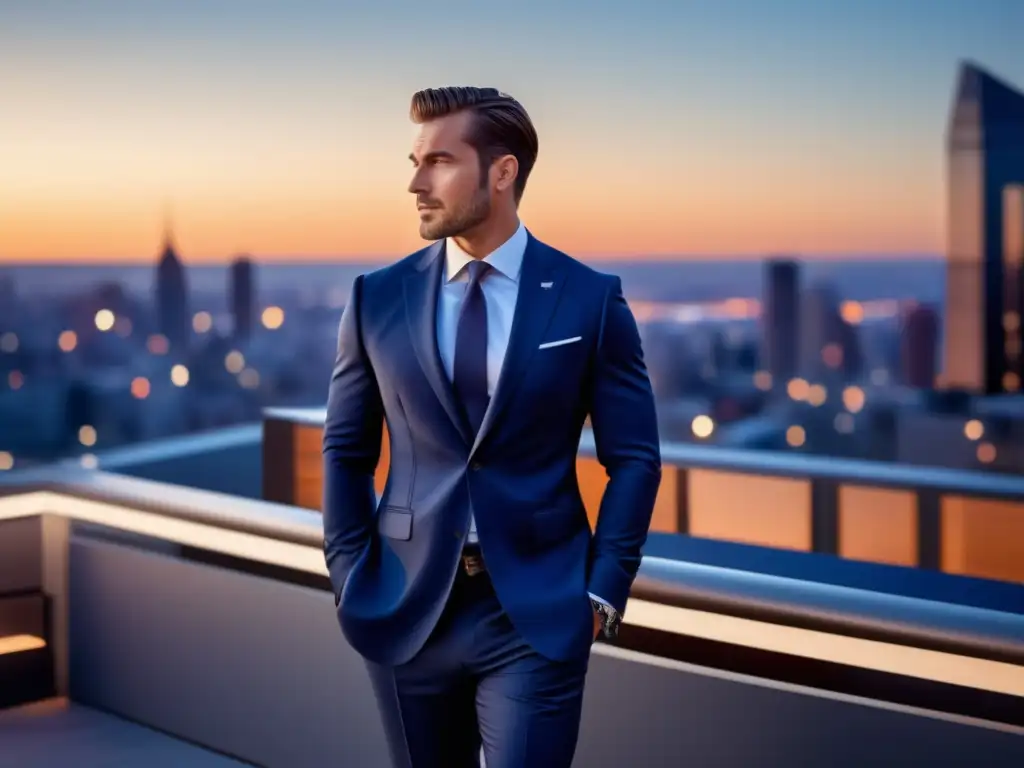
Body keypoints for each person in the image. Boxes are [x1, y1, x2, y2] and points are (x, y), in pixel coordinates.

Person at [322, 86, 661, 768]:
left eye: (439, 161)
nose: (415, 182)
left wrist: (603, 592)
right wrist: (351, 573)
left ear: (502, 173)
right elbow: (345, 451)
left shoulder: (589, 300)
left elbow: (635, 459)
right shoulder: (375, 298)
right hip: (405, 605)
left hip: (535, 613)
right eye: (414, 161)